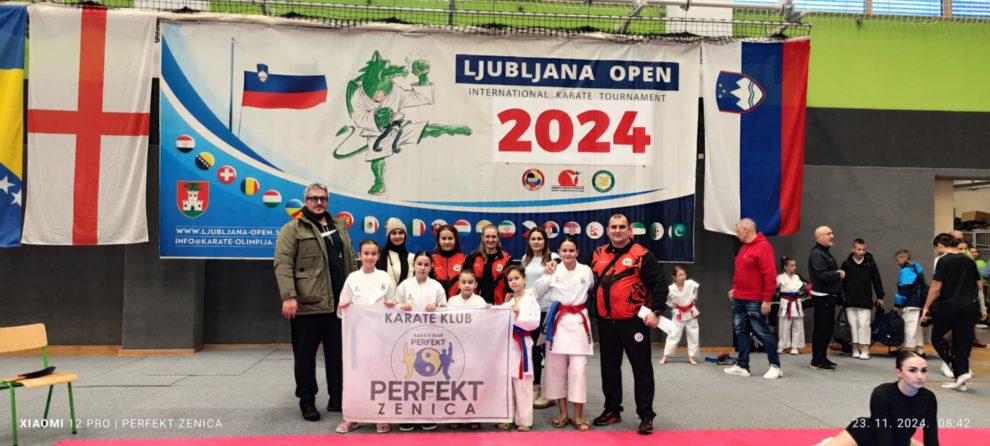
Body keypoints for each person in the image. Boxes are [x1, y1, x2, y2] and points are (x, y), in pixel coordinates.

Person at [273, 183, 357, 422]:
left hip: (339, 306)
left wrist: (355, 295)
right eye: (313, 198)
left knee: (338, 356)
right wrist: (289, 296)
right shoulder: (292, 229)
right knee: (305, 358)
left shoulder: (339, 227)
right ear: (305, 201)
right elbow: (282, 264)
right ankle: (307, 400)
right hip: (307, 305)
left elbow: (351, 262)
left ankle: (337, 398)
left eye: (323, 198)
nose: (318, 202)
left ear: (327, 201)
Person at [589, 213, 667, 435]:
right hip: (606, 323)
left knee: (642, 370)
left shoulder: (642, 255)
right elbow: (578, 274)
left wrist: (656, 311)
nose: (617, 230)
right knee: (609, 368)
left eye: (621, 227)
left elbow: (659, 285)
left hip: (634, 323)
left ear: (629, 230)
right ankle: (612, 410)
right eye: (613, 227)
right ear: (607, 230)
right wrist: (555, 266)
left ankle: (646, 415)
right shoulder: (597, 254)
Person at [334, 239, 397, 434]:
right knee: (355, 376)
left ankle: (380, 416)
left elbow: (394, 303)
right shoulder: (353, 278)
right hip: (357, 335)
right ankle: (352, 416)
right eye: (366, 253)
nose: (370, 257)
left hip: (380, 335)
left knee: (379, 375)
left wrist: (391, 304)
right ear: (359, 255)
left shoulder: (385, 277)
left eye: (373, 254)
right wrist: (344, 306)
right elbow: (342, 306)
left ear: (378, 256)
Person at [533, 236, 595, 432]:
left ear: (577, 252)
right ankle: (562, 413)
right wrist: (517, 300)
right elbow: (536, 292)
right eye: (564, 250)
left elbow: (592, 288)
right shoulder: (552, 271)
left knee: (578, 371)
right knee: (555, 369)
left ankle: (578, 415)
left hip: (579, 323)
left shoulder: (586, 271)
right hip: (557, 324)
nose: (568, 253)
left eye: (571, 250)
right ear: (558, 252)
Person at [817, 351, 937, 446]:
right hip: (866, 435)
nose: (920, 376)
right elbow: (884, 438)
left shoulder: (928, 398)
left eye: (924, 370)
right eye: (912, 370)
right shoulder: (882, 394)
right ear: (899, 372)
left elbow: (931, 436)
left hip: (901, 440)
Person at [921, 234, 983, 391]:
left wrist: (926, 307)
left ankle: (954, 365)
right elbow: (979, 285)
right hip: (969, 307)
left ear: (940, 245)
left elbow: (936, 287)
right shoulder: (969, 260)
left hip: (949, 306)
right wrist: (982, 307)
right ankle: (961, 376)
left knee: (936, 337)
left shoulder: (944, 260)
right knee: (962, 342)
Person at [725, 218, 782, 380]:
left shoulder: (764, 247)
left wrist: (767, 299)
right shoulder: (744, 247)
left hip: (755, 299)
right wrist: (735, 289)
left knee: (762, 332)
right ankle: (742, 365)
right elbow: (743, 273)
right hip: (739, 297)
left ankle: (775, 366)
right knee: (740, 331)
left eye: (738, 231)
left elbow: (770, 275)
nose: (737, 234)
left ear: (746, 229)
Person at [497, 265, 541, 432]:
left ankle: (524, 420)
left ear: (525, 279)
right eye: (510, 280)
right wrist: (489, 309)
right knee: (507, 382)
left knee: (523, 383)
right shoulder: (508, 302)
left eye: (516, 278)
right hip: (508, 345)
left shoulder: (531, 300)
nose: (514, 282)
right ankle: (507, 417)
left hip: (523, 342)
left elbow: (534, 323)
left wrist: (518, 313)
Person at [522, 227, 560, 410]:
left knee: (549, 352)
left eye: (540, 238)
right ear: (529, 241)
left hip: (548, 309)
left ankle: (551, 391)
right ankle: (535, 386)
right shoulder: (525, 259)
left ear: (545, 241)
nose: (536, 242)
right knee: (534, 350)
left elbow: (560, 265)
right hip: (531, 310)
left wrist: (555, 262)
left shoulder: (553, 257)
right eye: (533, 239)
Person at [444, 269, 487, 431]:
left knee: (473, 381)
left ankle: (474, 415)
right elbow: (447, 323)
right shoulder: (452, 301)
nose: (467, 285)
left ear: (475, 285)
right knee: (456, 380)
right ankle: (455, 414)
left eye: (470, 282)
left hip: (475, 346)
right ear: (458, 284)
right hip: (456, 346)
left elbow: (484, 323)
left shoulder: (480, 301)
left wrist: (490, 312)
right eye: (464, 282)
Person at [841, 239, 886, 360]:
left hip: (865, 299)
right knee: (853, 324)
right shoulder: (846, 264)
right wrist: (842, 298)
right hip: (850, 300)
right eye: (859, 249)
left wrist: (880, 296)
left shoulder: (870, 263)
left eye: (864, 250)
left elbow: (876, 279)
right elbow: (842, 282)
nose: (861, 252)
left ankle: (865, 348)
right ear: (853, 249)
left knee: (864, 324)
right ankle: (855, 347)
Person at [809, 225, 844, 370]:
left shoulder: (824, 252)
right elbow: (820, 275)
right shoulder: (817, 254)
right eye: (828, 234)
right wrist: (838, 274)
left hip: (828, 296)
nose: (832, 236)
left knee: (827, 328)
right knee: (822, 329)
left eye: (832, 233)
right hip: (822, 297)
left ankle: (821, 357)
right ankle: (817, 360)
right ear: (819, 237)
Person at [659, 266, 700, 365]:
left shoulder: (690, 283)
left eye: (684, 274)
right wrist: (672, 305)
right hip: (678, 314)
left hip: (691, 312)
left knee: (693, 334)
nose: (683, 277)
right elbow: (666, 299)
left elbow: (696, 290)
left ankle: (691, 357)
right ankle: (665, 355)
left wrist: (694, 298)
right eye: (680, 275)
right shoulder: (670, 288)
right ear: (674, 277)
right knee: (673, 335)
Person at [465, 224, 513, 305]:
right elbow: (465, 280)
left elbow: (511, 282)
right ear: (482, 238)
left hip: (499, 305)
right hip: (476, 305)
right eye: (487, 236)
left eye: (493, 237)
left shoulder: (506, 258)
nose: (490, 240)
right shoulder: (473, 257)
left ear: (498, 238)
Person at [893, 249, 926, 357]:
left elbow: (904, 290)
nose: (897, 262)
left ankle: (909, 351)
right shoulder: (916, 269)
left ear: (904, 258)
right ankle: (920, 350)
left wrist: (896, 305)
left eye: (897, 260)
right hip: (919, 303)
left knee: (909, 328)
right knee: (917, 328)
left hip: (910, 304)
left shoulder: (906, 271)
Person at [776, 257, 807, 355]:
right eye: (792, 265)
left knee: (797, 326)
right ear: (785, 267)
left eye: (795, 265)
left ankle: (795, 346)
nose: (794, 267)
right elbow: (775, 288)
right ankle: (782, 345)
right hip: (785, 302)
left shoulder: (797, 277)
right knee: (784, 326)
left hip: (796, 302)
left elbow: (804, 287)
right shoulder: (780, 278)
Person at [431, 224, 467, 297]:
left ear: (455, 240)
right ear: (438, 240)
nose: (447, 241)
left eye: (450, 238)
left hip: (459, 301)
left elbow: (469, 283)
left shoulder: (464, 258)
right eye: (443, 238)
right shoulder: (432, 259)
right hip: (437, 301)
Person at [377, 217, 414, 287]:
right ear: (388, 236)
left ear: (405, 236)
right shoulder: (379, 256)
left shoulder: (411, 257)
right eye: (393, 233)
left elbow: (411, 283)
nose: (397, 236)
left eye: (401, 233)